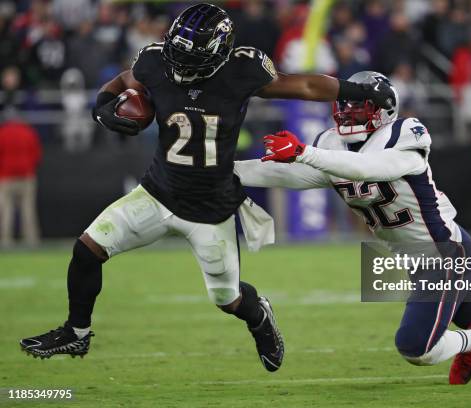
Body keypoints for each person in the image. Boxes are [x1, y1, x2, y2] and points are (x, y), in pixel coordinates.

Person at [19, 4, 395, 373]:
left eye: (189, 57)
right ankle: (77, 332)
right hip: (157, 192)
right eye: (176, 53)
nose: (179, 65)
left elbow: (306, 83)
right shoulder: (155, 61)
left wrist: (356, 90)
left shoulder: (242, 69)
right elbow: (120, 82)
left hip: (210, 208)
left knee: (227, 299)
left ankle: (259, 317)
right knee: (87, 249)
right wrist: (102, 107)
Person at [234, 71, 471, 384]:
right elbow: (288, 173)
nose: (348, 115)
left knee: (416, 348)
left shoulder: (406, 134)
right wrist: (222, 171)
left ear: (384, 111)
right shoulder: (331, 146)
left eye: (359, 108)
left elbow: (368, 168)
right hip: (417, 257)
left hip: (442, 251)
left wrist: (303, 152)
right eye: (345, 107)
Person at [0, 108, 42, 247]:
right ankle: (30, 239)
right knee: (28, 209)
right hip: (26, 175)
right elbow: (37, 155)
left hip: (6, 176)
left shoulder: (2, 133)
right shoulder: (28, 132)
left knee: (6, 209)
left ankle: (6, 240)